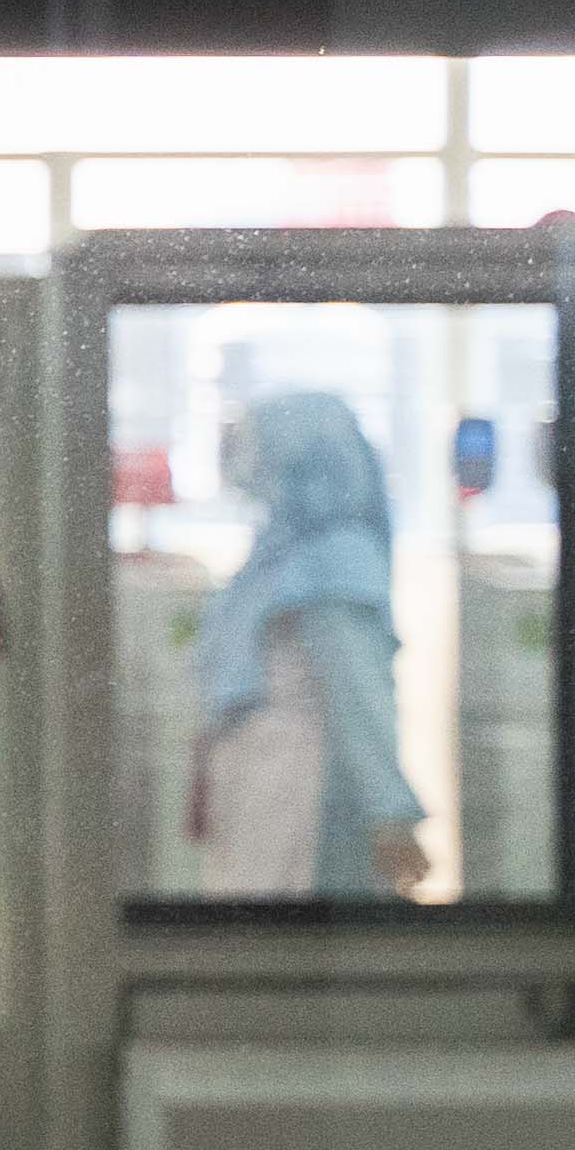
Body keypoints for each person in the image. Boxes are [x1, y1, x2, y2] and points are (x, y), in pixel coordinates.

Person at [189, 385, 432, 899]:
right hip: (272, 780)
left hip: (292, 783)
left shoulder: (328, 560)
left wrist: (389, 815)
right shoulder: (295, 552)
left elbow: (356, 696)